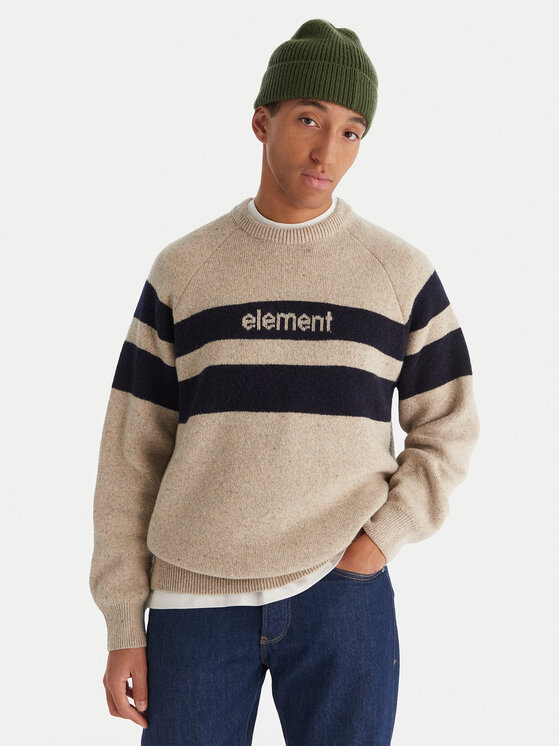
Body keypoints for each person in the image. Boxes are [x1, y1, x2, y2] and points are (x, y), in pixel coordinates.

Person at [89, 18, 480, 746]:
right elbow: (130, 455)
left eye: (351, 132)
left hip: (342, 594)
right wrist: (122, 622)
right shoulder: (185, 270)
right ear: (261, 121)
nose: (328, 150)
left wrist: (377, 544)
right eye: (308, 120)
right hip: (194, 600)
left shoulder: (399, 274)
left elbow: (449, 427)